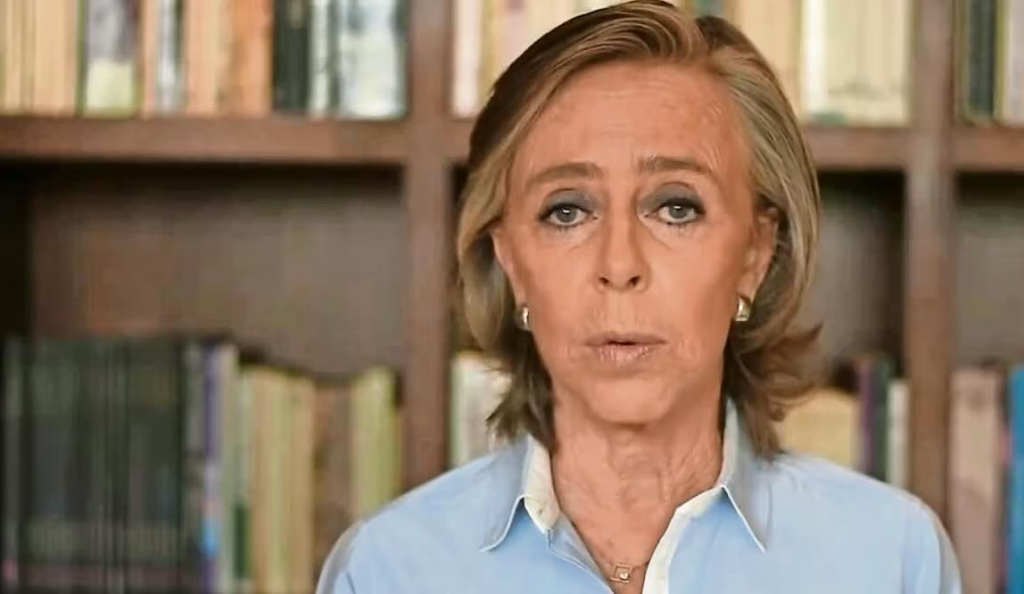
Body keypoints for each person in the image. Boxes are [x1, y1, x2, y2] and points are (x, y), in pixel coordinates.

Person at [317, 1, 961, 592]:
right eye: (567, 211)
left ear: (755, 254)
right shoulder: (386, 570)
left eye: (676, 207)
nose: (619, 265)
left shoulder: (890, 557)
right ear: (511, 262)